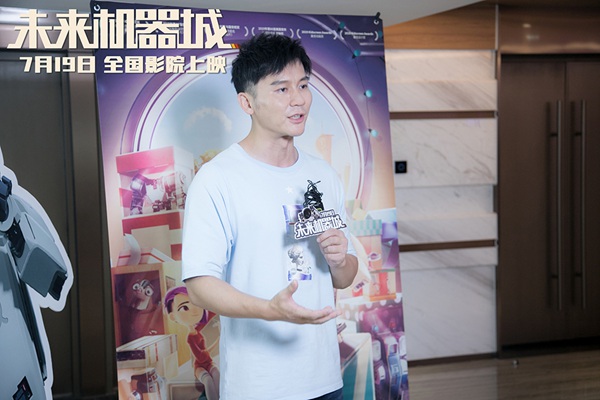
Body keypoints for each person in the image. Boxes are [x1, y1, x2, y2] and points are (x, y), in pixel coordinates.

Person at [182, 32, 358, 400]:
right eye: (281, 89)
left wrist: (340, 259)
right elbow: (199, 287)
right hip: (258, 385)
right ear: (246, 102)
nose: (299, 99)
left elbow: (344, 277)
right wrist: (269, 309)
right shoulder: (217, 179)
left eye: (303, 85)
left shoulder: (323, 175)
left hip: (325, 378)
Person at [164, 286, 220, 400]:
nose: (194, 311)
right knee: (208, 381)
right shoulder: (190, 338)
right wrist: (217, 341)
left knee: (217, 375)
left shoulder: (197, 329)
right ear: (173, 316)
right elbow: (201, 357)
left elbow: (212, 312)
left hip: (209, 363)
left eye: (196, 304)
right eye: (184, 308)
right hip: (199, 366)